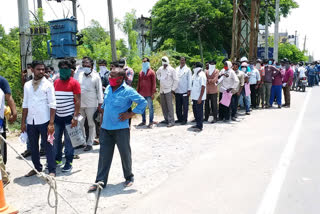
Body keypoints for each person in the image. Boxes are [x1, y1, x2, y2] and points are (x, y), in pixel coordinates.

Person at [88, 67, 147, 192]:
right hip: (105, 129)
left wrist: (130, 114)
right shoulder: (108, 88)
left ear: (120, 78)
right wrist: (101, 123)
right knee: (104, 156)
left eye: (113, 76)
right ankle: (100, 181)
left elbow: (143, 102)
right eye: (110, 75)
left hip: (121, 129)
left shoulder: (128, 91)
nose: (110, 78)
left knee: (125, 154)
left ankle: (129, 177)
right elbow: (104, 106)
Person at [21, 61, 56, 177]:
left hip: (44, 121)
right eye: (38, 69)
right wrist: (23, 122)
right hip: (31, 121)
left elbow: (52, 104)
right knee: (33, 146)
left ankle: (51, 170)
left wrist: (51, 123)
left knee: (48, 146)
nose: (41, 71)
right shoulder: (27, 85)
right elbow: (25, 104)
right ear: (32, 70)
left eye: (43, 69)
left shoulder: (48, 84)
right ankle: (37, 168)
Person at [53, 60, 81, 172]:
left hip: (70, 117)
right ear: (59, 69)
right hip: (57, 117)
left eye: (66, 68)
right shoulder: (55, 82)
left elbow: (78, 101)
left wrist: (75, 117)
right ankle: (57, 159)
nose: (64, 70)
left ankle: (69, 162)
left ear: (70, 70)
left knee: (69, 141)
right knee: (56, 140)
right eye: (62, 68)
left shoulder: (74, 83)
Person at [76, 57, 103, 151]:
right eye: (84, 64)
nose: (85, 66)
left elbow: (99, 91)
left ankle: (90, 142)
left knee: (91, 124)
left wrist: (100, 104)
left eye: (87, 64)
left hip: (92, 104)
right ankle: (83, 141)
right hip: (80, 104)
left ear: (91, 66)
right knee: (80, 123)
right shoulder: (79, 75)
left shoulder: (96, 76)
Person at [0, 75, 17, 185]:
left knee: (1, 149)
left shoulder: (1, 81)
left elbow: (8, 98)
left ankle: (3, 175)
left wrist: (14, 113)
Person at [156, 56, 178, 127]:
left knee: (170, 106)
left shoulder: (172, 70)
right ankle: (166, 119)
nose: (164, 66)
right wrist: (159, 78)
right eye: (163, 64)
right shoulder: (160, 69)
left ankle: (171, 121)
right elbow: (157, 73)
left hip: (169, 90)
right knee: (164, 106)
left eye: (165, 64)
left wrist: (173, 89)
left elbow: (176, 80)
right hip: (162, 90)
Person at [137, 57, 156, 128]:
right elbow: (138, 83)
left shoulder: (151, 72)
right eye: (143, 62)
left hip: (149, 94)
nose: (144, 63)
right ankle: (143, 121)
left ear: (148, 62)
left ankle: (151, 121)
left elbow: (154, 83)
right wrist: (137, 92)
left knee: (151, 108)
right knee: (142, 108)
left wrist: (153, 93)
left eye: (145, 62)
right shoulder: (141, 73)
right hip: (142, 93)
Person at [175, 57, 192, 125]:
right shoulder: (176, 69)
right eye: (181, 60)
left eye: (183, 60)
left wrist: (189, 90)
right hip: (177, 90)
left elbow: (190, 80)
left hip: (185, 90)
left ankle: (184, 119)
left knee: (185, 106)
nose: (182, 61)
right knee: (178, 106)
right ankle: (179, 119)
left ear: (185, 61)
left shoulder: (188, 70)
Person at [190, 62, 206, 131]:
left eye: (195, 66)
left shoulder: (202, 75)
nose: (194, 68)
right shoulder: (195, 75)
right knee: (195, 111)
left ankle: (200, 126)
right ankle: (197, 123)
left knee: (199, 112)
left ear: (198, 67)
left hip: (199, 98)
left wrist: (200, 98)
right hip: (194, 97)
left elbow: (203, 87)